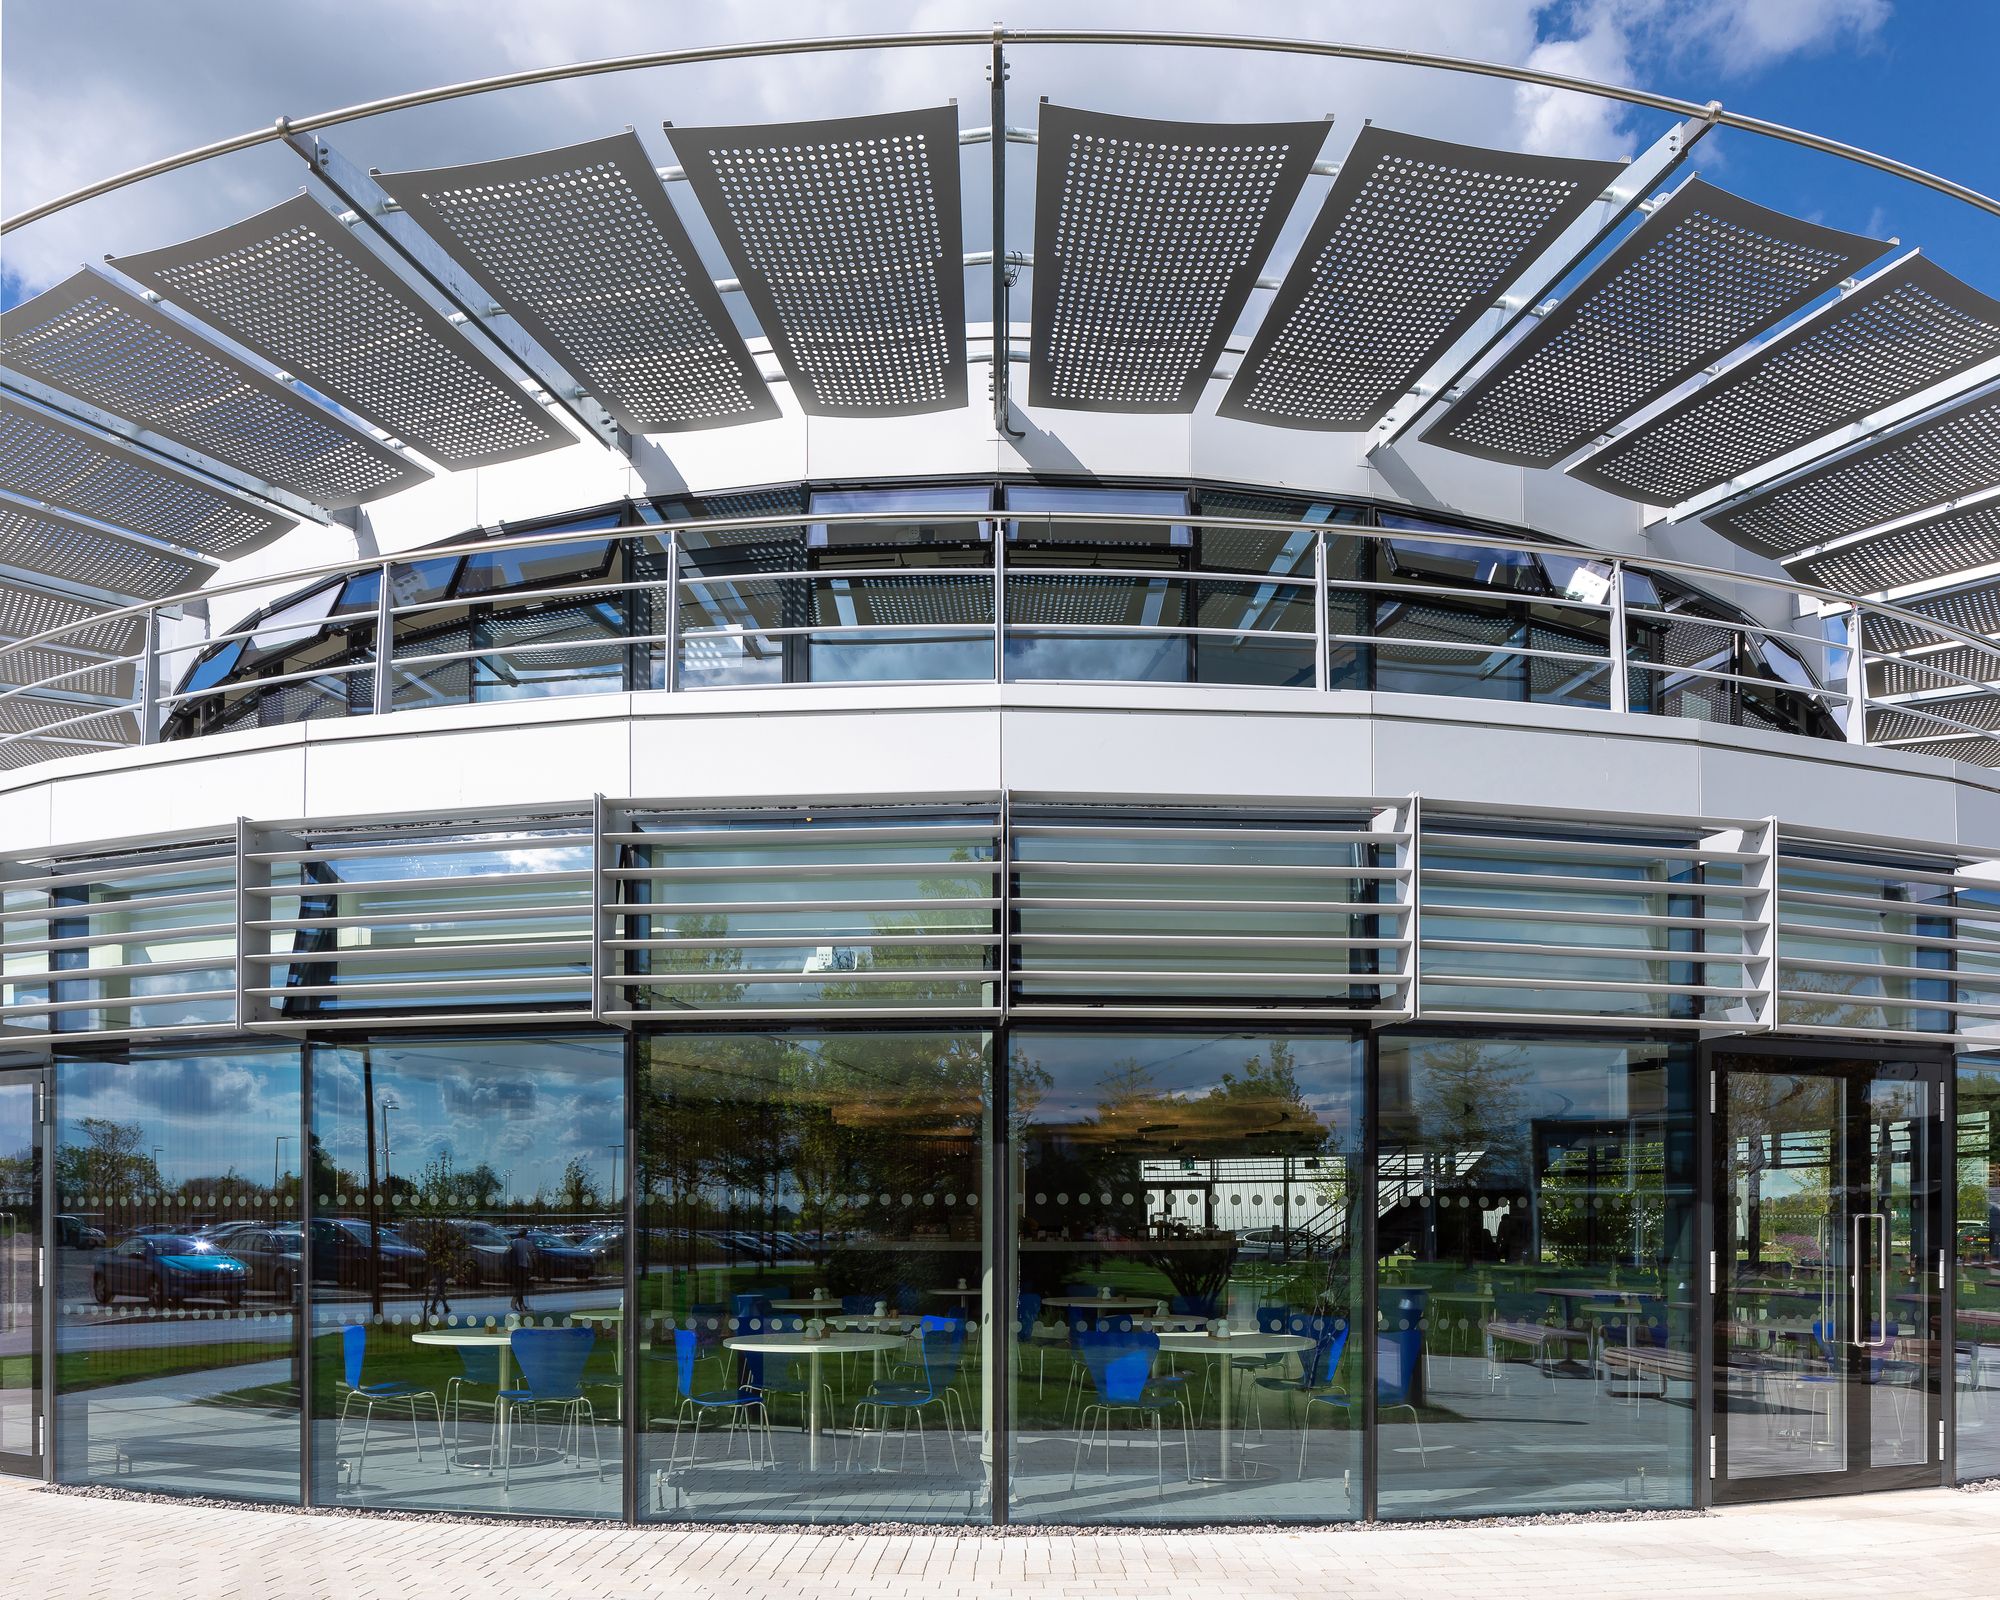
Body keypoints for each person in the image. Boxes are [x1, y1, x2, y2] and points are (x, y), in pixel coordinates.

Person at [505, 1227, 536, 1314]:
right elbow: (532, 1251)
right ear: (526, 1234)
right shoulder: (527, 1243)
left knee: (517, 1286)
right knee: (521, 1287)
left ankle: (515, 1303)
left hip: (514, 1267)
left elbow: (508, 1250)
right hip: (523, 1266)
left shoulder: (512, 1242)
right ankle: (521, 1305)